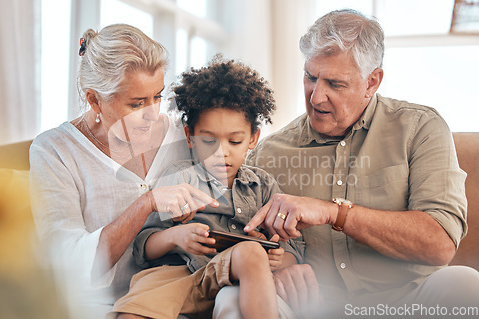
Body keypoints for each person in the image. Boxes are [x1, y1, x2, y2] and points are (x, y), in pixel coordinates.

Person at [215, 9, 479, 318]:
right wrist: (277, 265)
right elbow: (239, 234)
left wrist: (333, 212)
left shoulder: (420, 128)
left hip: (408, 302)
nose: (316, 97)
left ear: (372, 82)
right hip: (311, 307)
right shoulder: (268, 153)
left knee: (466, 284)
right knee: (231, 300)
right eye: (310, 77)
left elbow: (440, 243)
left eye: (335, 84)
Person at [29, 24, 219, 319]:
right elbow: (68, 267)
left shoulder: (181, 134)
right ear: (94, 100)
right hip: (98, 308)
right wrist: (147, 203)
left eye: (157, 96)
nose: (153, 114)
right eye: (136, 103)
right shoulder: (55, 151)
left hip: (178, 296)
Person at [108, 58, 304, 319]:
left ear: (253, 139)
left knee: (252, 253)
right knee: (130, 314)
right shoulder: (179, 178)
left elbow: (294, 249)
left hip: (235, 280)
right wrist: (175, 237)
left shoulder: (264, 186)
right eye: (209, 141)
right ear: (190, 136)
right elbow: (144, 246)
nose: (221, 153)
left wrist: (280, 259)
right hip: (177, 277)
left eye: (235, 141)